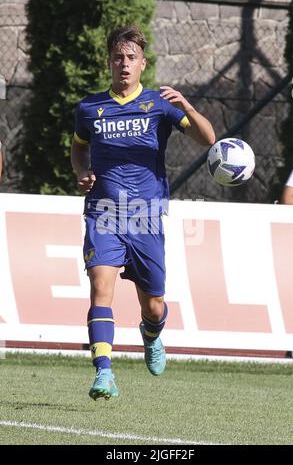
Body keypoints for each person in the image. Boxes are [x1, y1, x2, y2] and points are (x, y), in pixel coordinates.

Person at [71, 26, 215, 401]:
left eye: (131, 58)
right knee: (100, 289)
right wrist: (80, 171)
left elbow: (208, 139)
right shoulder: (89, 108)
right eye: (118, 57)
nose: (124, 64)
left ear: (142, 64)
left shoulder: (159, 104)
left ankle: (151, 335)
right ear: (109, 62)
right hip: (103, 213)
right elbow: (79, 149)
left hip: (146, 218)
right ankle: (104, 371)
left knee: (153, 306)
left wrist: (186, 107)